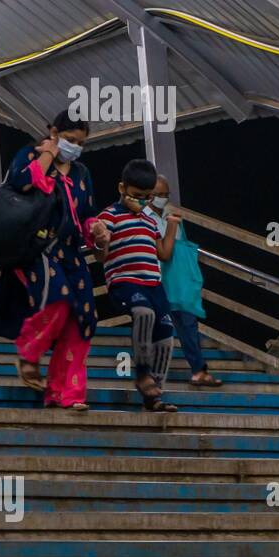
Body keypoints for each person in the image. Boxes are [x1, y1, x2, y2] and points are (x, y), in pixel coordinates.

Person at [0, 111, 109, 412]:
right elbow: (22, 184)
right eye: (70, 140)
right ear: (55, 132)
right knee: (56, 299)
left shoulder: (82, 173)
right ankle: (29, 355)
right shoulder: (31, 154)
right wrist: (49, 152)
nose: (76, 147)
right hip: (38, 247)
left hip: (71, 252)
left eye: (81, 142)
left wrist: (95, 228)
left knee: (82, 319)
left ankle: (65, 394)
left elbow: (86, 212)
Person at [97, 159, 182, 413]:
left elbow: (164, 254)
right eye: (136, 196)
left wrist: (171, 228)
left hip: (152, 284)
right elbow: (101, 254)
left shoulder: (148, 221)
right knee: (144, 314)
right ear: (122, 188)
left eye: (147, 198)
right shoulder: (109, 216)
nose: (142, 203)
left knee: (166, 334)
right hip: (125, 281)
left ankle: (155, 393)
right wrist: (101, 239)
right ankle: (143, 374)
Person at [149, 175, 221, 388]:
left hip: (178, 284)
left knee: (188, 324)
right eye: (157, 194)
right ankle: (152, 375)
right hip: (154, 281)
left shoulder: (174, 218)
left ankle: (199, 370)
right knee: (157, 327)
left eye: (165, 195)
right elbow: (163, 252)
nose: (162, 198)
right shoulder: (142, 218)